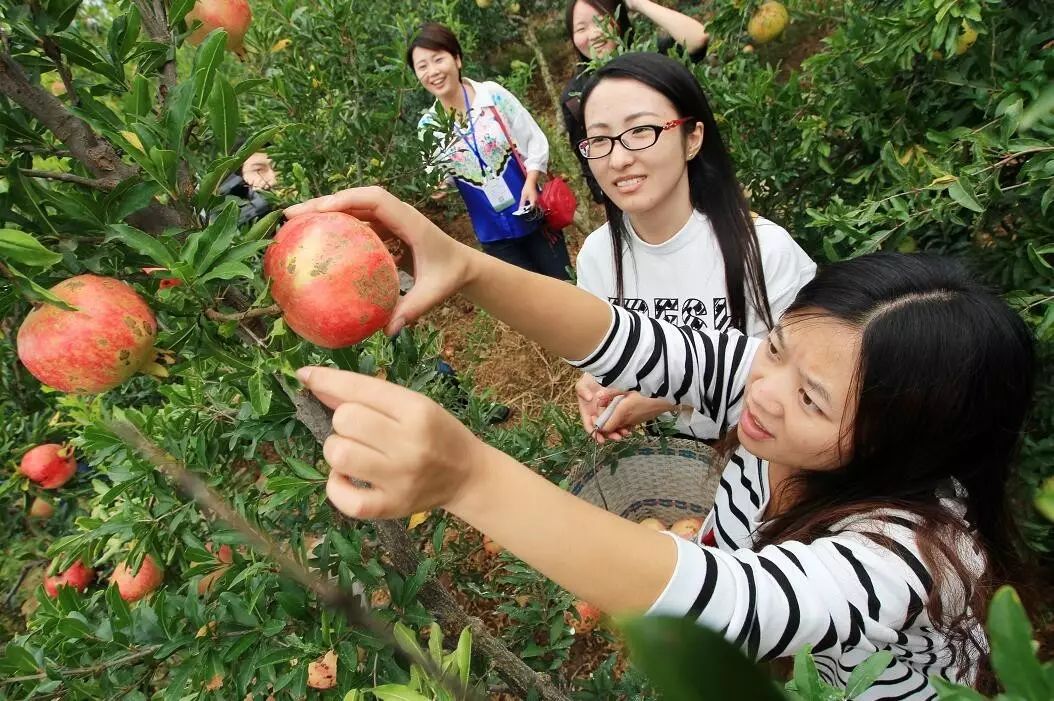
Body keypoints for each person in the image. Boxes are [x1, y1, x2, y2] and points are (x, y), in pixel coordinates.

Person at [285, 186, 1034, 699]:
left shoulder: (914, 554)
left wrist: (469, 476)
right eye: (776, 347)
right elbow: (624, 340)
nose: (764, 391)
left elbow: (731, 604)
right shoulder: (771, 386)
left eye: (811, 398)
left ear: (905, 443)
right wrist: (468, 266)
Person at [573, 53, 815, 441]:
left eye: (641, 131)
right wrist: (595, 381)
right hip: (668, 464)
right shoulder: (599, 257)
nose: (618, 158)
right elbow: (606, 348)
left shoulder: (765, 250)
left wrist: (666, 397)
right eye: (600, 139)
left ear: (693, 138)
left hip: (762, 454)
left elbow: (807, 376)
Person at [408, 22, 572, 279]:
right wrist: (436, 186)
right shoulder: (429, 127)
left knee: (565, 287)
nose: (433, 71)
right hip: (493, 235)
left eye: (438, 59)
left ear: (457, 59)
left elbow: (533, 139)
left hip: (533, 214)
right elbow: (437, 180)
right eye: (422, 66)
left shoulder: (491, 96)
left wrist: (531, 181)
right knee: (529, 307)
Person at [562, 0, 710, 202]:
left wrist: (638, 3)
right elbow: (589, 164)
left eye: (602, 20)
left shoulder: (653, 58)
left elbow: (697, 39)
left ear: (619, 18)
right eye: (581, 28)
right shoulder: (574, 97)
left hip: (694, 187)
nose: (595, 33)